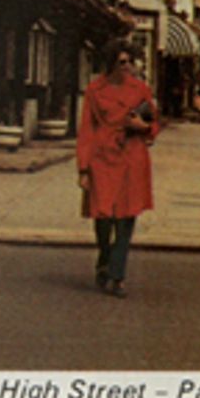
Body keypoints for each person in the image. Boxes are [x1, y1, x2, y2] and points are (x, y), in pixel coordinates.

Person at [76, 39, 158, 297]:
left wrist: (143, 127)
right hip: (103, 155)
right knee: (103, 214)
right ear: (111, 63)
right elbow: (87, 130)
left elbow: (154, 123)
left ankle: (117, 275)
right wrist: (83, 168)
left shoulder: (141, 89)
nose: (127, 67)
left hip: (132, 156)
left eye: (131, 62)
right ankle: (105, 258)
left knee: (127, 216)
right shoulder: (94, 90)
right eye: (122, 62)